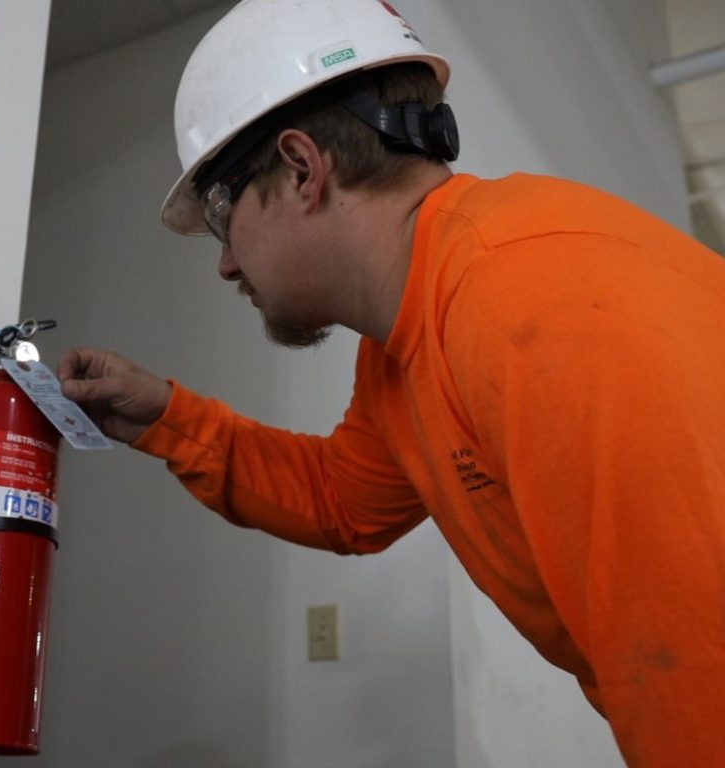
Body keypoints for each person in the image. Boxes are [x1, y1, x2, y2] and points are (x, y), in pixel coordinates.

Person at [57, 0, 725, 765]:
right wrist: (166, 419)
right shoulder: (410, 335)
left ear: (304, 168)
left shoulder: (529, 300)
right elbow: (344, 501)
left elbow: (700, 664)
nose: (226, 263)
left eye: (220, 214)